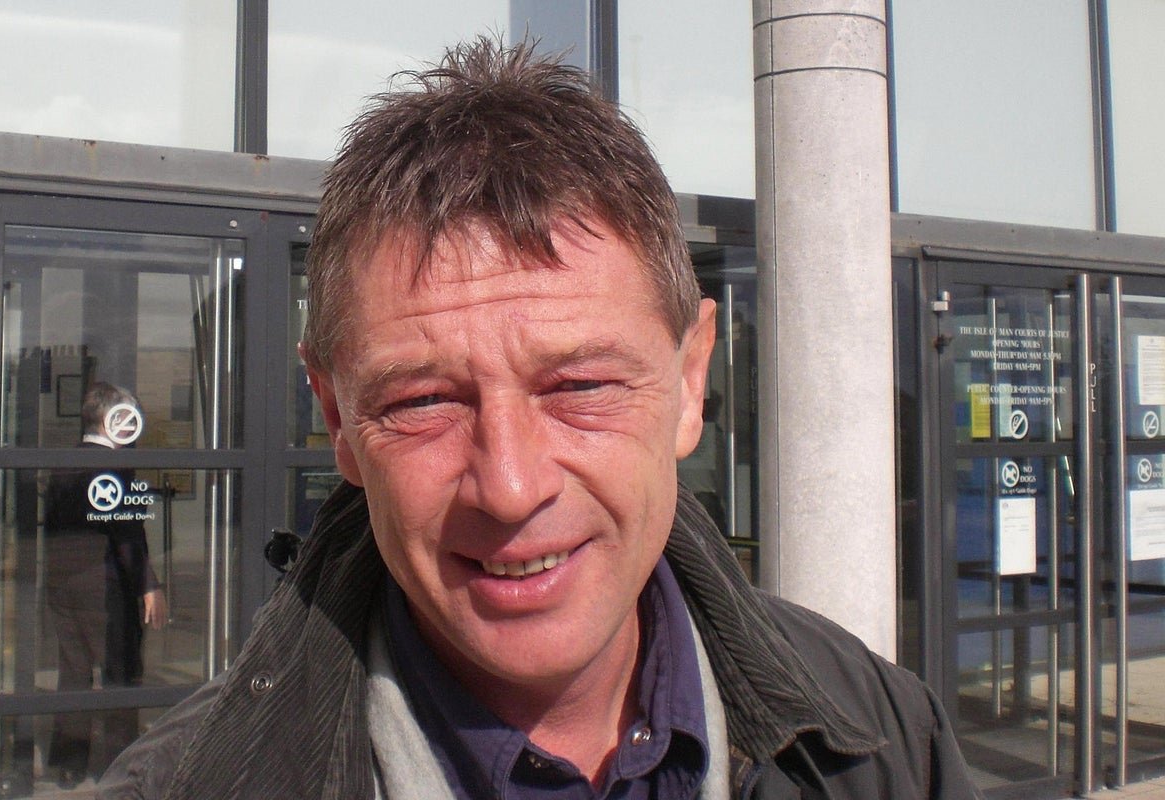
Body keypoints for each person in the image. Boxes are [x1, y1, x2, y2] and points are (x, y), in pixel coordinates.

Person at [97, 38, 980, 799]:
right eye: (424, 401)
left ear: (690, 382)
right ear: (338, 419)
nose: (512, 486)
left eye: (580, 387)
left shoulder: (884, 739)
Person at [44, 382, 166, 788]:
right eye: (129, 416)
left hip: (62, 585)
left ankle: (67, 765)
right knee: (120, 673)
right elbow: (126, 533)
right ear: (110, 420)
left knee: (73, 674)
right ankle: (116, 766)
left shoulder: (63, 463)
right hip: (104, 587)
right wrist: (148, 585)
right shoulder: (114, 467)